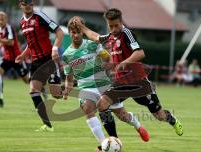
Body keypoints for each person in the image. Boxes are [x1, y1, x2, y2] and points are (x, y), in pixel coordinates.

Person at [75, 8, 183, 136]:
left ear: (121, 22)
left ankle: (173, 120)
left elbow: (140, 53)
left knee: (159, 115)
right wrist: (83, 27)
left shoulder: (127, 33)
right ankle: (113, 140)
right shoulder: (110, 36)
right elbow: (96, 37)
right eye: (111, 26)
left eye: (116, 25)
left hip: (138, 83)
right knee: (102, 104)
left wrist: (124, 63)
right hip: (120, 83)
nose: (114, 29)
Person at [61, 17, 149, 150]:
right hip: (85, 89)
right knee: (87, 108)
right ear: (69, 32)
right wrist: (67, 89)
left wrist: (104, 65)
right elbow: (69, 77)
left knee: (122, 116)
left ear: (82, 32)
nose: (76, 35)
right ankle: (105, 143)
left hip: (103, 85)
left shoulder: (92, 45)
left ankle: (138, 126)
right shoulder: (67, 55)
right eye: (73, 32)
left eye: (78, 31)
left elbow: (109, 58)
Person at [15, 0, 64, 131]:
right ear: (20, 5)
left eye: (31, 3)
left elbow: (59, 32)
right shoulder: (22, 22)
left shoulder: (40, 16)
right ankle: (47, 125)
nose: (29, 6)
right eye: (26, 4)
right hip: (35, 62)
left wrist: (55, 49)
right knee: (33, 91)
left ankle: (72, 84)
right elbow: (30, 44)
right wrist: (23, 55)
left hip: (48, 59)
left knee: (57, 94)